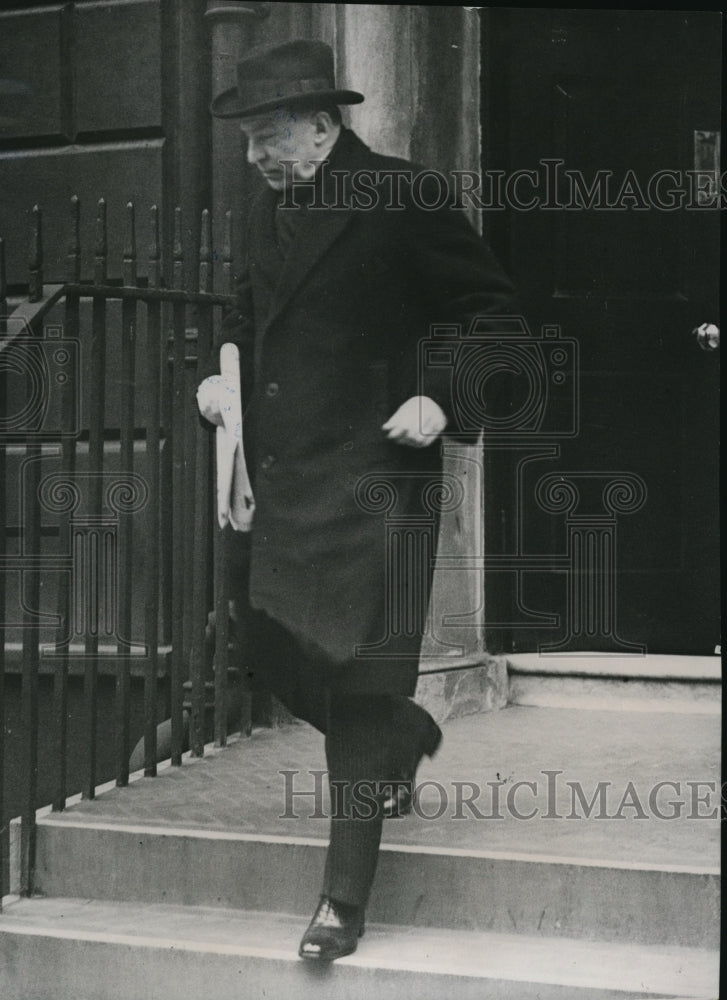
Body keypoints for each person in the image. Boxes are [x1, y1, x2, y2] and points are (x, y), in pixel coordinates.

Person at [197, 39, 515, 961]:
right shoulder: (268, 212)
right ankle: (407, 733)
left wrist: (442, 396)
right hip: (285, 486)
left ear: (325, 124)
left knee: (357, 680)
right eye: (249, 139)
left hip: (378, 483)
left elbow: (488, 313)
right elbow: (240, 315)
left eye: (267, 136)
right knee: (262, 638)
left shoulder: (403, 193)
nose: (255, 156)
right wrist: (219, 380)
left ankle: (342, 902)